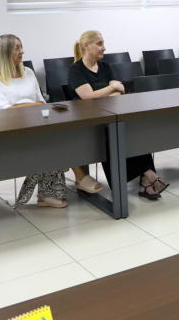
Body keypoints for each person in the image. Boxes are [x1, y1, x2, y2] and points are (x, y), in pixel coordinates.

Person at [69, 31, 169, 199]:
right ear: (86, 46)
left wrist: (105, 93)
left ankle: (145, 180)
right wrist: (110, 88)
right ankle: (148, 174)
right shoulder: (76, 70)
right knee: (113, 135)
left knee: (135, 129)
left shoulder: (106, 66)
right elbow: (88, 97)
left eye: (103, 43)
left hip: (112, 114)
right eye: (99, 44)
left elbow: (120, 91)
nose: (104, 48)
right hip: (91, 121)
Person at [0, 35, 69, 208]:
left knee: (58, 140)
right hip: (9, 132)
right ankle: (48, 194)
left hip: (35, 127)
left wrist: (25, 107)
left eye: (21, 46)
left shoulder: (28, 72)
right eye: (16, 48)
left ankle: (46, 194)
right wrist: (32, 107)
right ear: (5, 52)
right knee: (49, 144)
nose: (22, 51)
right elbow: (5, 111)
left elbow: (42, 103)